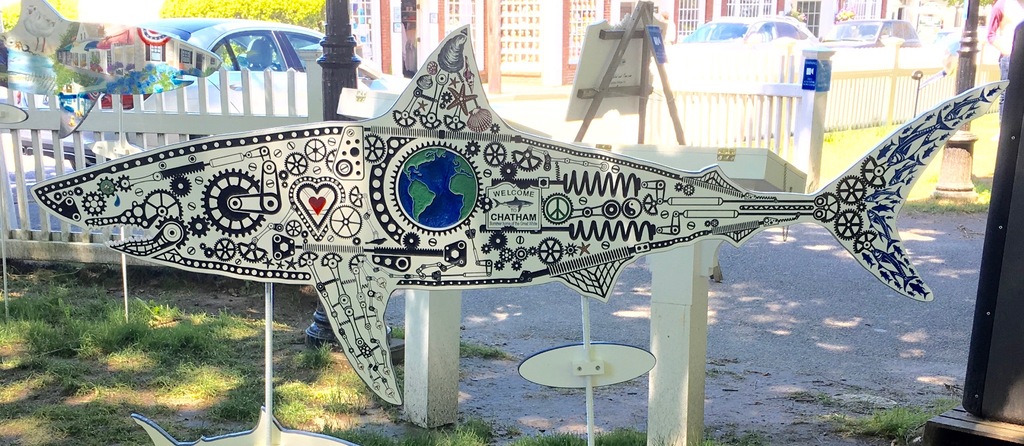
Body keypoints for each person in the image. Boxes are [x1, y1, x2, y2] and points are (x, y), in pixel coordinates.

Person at [986, 0, 1024, 115]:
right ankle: (1005, 126)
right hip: (1009, 59)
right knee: (1007, 95)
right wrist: (1008, 51)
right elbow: (990, 35)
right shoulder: (1002, 4)